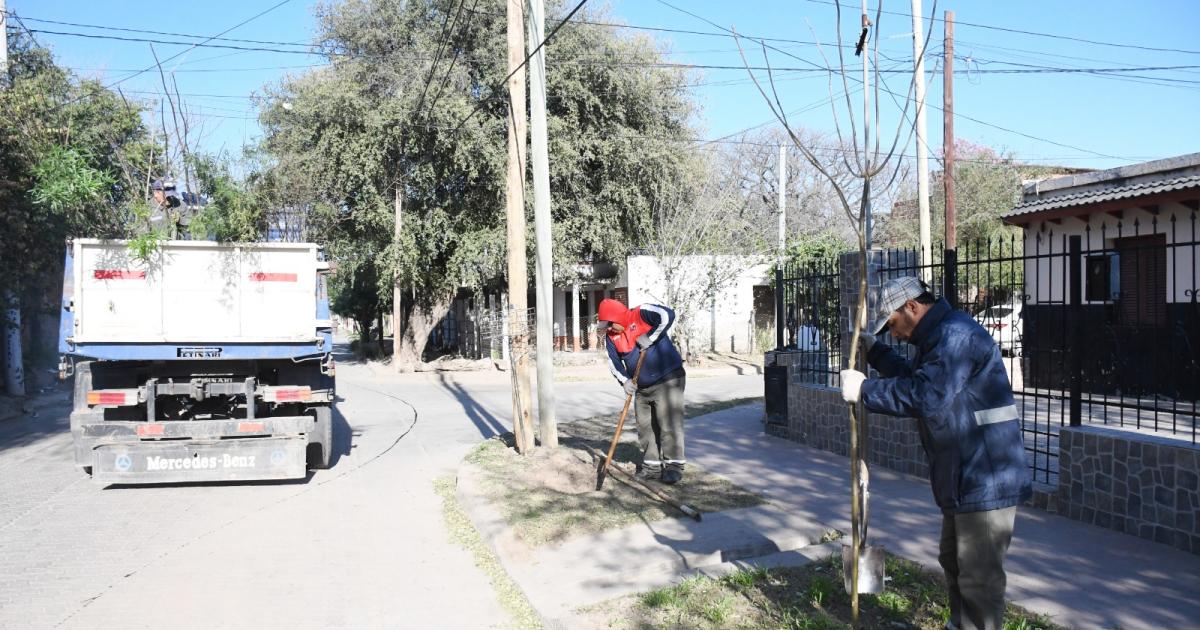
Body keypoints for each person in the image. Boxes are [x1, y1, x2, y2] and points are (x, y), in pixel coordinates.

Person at [840, 276, 1031, 630]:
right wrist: (877, 352)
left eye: (892, 325)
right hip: (964, 475)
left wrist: (866, 390)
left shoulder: (955, 337)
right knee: (953, 559)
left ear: (912, 307)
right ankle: (960, 624)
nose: (893, 335)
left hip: (986, 475)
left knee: (978, 576)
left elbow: (927, 396)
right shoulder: (939, 339)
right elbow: (919, 377)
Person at [597, 298, 687, 484]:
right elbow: (613, 363)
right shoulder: (611, 337)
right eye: (607, 326)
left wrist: (650, 337)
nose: (610, 328)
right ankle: (652, 467)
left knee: (668, 424)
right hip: (642, 387)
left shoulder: (641, 313)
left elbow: (667, 315)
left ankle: (674, 467)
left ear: (617, 317)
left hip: (668, 378)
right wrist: (625, 381)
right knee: (645, 428)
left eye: (611, 324)